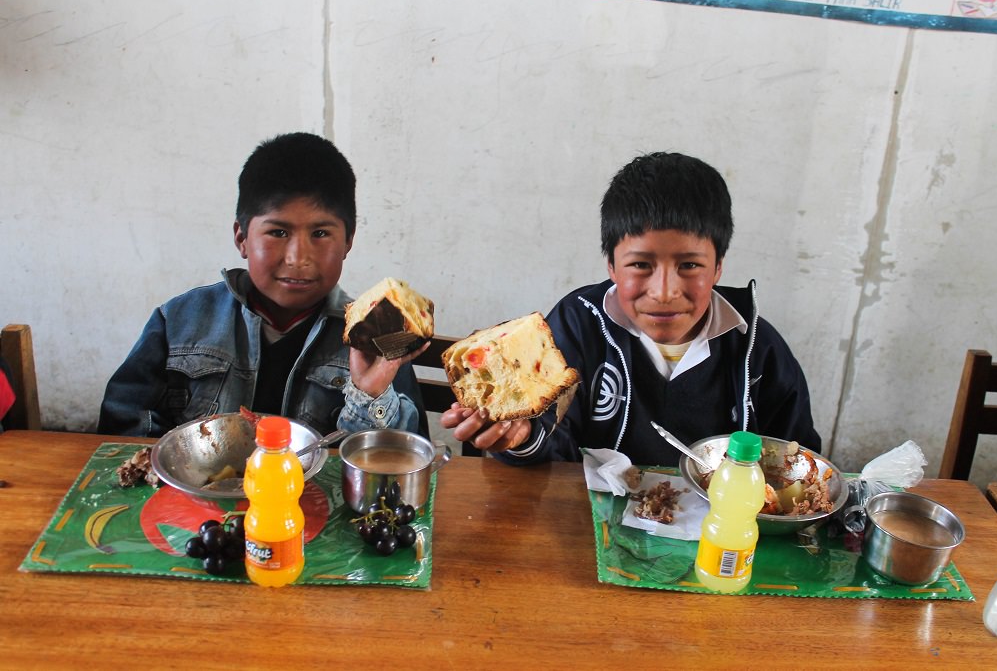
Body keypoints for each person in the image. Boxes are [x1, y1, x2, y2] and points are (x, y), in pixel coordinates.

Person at [441, 151, 820, 466]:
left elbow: (797, 463)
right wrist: (521, 438)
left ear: (719, 266)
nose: (665, 292)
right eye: (641, 265)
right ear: (611, 266)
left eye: (689, 266)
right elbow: (547, 443)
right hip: (585, 533)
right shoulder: (579, 324)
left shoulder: (757, 350)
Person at [98, 132, 427, 438]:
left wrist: (370, 395)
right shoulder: (179, 322)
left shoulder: (380, 340)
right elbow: (122, 433)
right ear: (242, 239)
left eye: (321, 234)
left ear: (348, 242)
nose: (298, 258)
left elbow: (405, 460)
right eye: (278, 232)